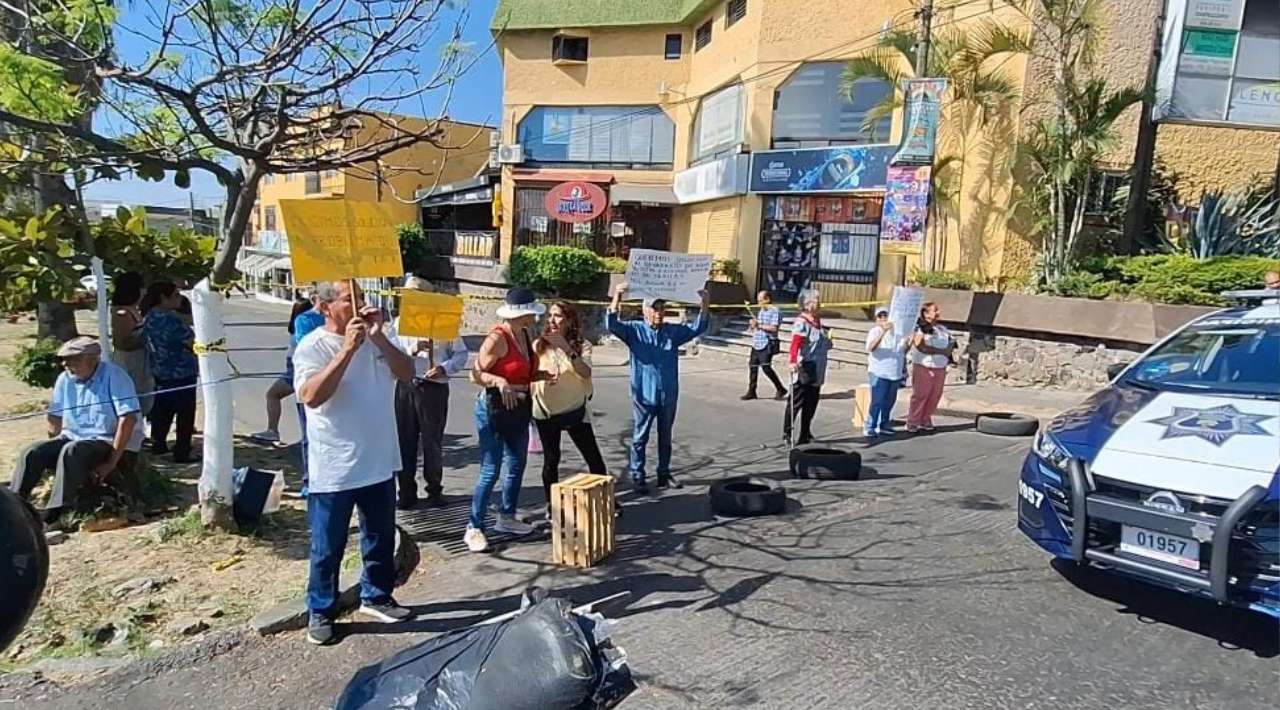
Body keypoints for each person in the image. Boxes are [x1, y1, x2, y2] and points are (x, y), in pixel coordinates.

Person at [293, 280, 415, 645]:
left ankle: (377, 595)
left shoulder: (379, 339)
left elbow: (407, 373)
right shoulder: (312, 346)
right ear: (325, 306)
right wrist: (346, 350)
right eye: (350, 299)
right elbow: (311, 397)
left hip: (377, 460)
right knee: (327, 546)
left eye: (361, 298)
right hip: (335, 467)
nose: (359, 305)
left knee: (379, 537)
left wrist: (377, 339)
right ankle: (321, 609)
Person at [9, 338, 144, 522]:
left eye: (73, 359)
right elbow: (55, 416)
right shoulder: (65, 379)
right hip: (73, 436)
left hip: (107, 439)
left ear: (92, 359)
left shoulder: (115, 376)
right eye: (64, 359)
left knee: (72, 451)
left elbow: (127, 418)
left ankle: (54, 515)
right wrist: (52, 443)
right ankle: (14, 507)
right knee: (32, 452)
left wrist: (112, 460)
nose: (66, 364)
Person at [465, 287, 554, 553]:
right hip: (494, 409)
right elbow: (475, 374)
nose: (535, 318)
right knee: (491, 468)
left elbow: (523, 372)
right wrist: (499, 380)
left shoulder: (524, 334)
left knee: (517, 463)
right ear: (522, 314)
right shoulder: (496, 339)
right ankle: (474, 526)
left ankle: (506, 516)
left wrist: (540, 376)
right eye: (531, 313)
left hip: (519, 408)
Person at [606, 282, 710, 494]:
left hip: (668, 394)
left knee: (665, 435)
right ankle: (638, 475)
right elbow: (611, 324)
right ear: (645, 311)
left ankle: (664, 473)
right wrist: (617, 296)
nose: (659, 313)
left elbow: (698, 327)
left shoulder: (672, 331)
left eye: (662, 308)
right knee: (640, 436)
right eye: (655, 308)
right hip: (644, 394)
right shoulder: (634, 330)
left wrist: (705, 303)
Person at [392, 276, 468, 510]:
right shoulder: (398, 323)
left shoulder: (445, 324)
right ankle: (406, 491)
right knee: (405, 440)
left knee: (431, 441)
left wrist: (444, 367)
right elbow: (391, 351)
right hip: (407, 384)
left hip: (433, 388)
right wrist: (413, 349)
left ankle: (434, 489)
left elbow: (460, 354)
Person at [532, 301, 608, 508]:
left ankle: (605, 501)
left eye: (558, 316)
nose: (552, 320)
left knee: (593, 457)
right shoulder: (538, 345)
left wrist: (566, 348)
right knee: (551, 460)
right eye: (550, 316)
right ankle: (552, 505)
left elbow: (585, 372)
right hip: (546, 411)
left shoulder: (583, 346)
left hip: (574, 410)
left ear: (569, 321)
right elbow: (529, 374)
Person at [141, 281, 198, 463]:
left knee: (162, 410)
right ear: (163, 298)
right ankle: (182, 450)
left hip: (160, 369)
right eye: (174, 295)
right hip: (180, 370)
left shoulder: (149, 316)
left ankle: (159, 443)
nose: (179, 298)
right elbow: (191, 342)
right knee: (185, 413)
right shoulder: (171, 319)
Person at [251, 298, 315, 444]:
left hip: (295, 369)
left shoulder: (302, 325)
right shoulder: (304, 325)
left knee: (274, 394)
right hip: (294, 368)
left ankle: (273, 430)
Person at [783, 288, 831, 446]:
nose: (820, 304)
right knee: (796, 401)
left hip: (818, 367)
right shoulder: (802, 322)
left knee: (811, 402)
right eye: (817, 301)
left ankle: (805, 432)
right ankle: (787, 433)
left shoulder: (817, 321)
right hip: (805, 366)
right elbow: (795, 343)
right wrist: (792, 361)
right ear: (808, 304)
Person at [291, 290, 326, 496]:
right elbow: (305, 344)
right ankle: (309, 479)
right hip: (314, 381)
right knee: (309, 435)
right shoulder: (305, 319)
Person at [907, 301, 957, 433]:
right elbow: (920, 346)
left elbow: (951, 344)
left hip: (940, 366)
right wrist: (940, 351)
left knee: (935, 395)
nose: (938, 313)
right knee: (921, 394)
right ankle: (913, 421)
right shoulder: (920, 328)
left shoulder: (942, 329)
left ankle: (926, 418)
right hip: (924, 365)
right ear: (926, 313)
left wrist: (947, 351)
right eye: (935, 310)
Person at [109, 271, 153, 417]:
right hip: (128, 363)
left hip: (140, 362)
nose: (144, 291)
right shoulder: (122, 313)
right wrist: (147, 339)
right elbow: (122, 343)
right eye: (142, 287)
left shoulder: (134, 310)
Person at [863, 305, 909, 438]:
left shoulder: (898, 333)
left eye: (886, 316)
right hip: (879, 371)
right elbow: (871, 347)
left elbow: (903, 351)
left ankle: (883, 424)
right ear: (876, 319)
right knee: (877, 401)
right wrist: (883, 332)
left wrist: (908, 341)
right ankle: (870, 426)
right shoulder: (875, 331)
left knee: (889, 401)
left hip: (894, 371)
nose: (883, 319)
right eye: (880, 316)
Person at [741, 290, 787, 401]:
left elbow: (774, 328)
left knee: (766, 367)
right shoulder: (762, 311)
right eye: (758, 301)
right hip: (757, 342)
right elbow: (759, 325)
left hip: (767, 343)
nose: (759, 303)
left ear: (767, 299)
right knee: (753, 366)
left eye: (761, 301)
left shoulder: (775, 311)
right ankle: (752, 391)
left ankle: (780, 388)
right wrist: (753, 325)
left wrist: (759, 325)